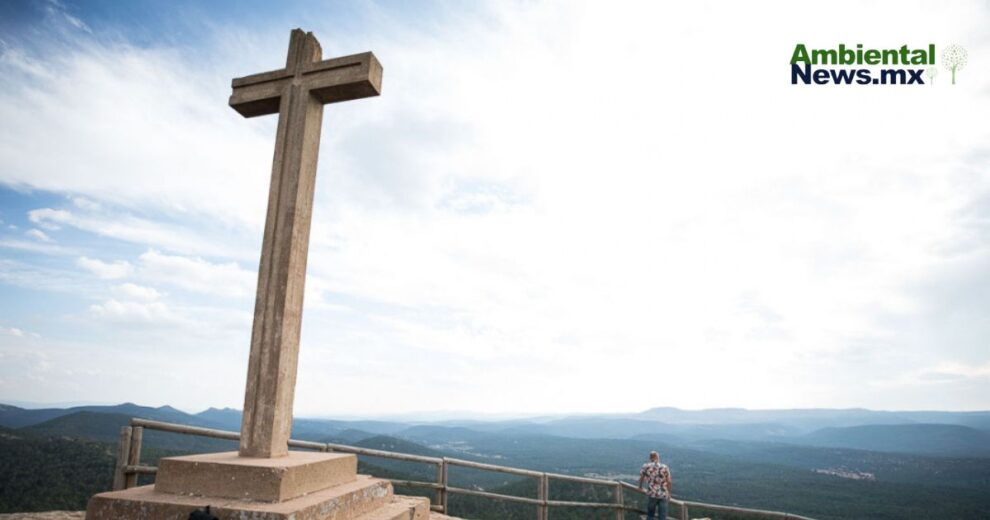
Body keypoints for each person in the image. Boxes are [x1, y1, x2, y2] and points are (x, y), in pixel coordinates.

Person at [638, 450, 672, 520]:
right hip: (663, 494)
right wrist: (669, 493)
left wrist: (640, 487)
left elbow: (641, 478)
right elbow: (669, 481)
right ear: (658, 457)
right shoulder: (665, 467)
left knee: (650, 515)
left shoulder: (646, 466)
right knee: (662, 517)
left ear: (650, 458)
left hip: (652, 493)